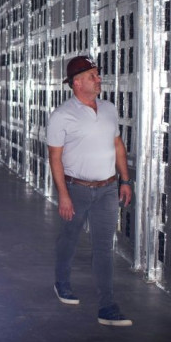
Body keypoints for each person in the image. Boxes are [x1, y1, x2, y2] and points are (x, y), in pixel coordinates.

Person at [46, 55, 133, 327]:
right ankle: (61, 282)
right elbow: (55, 158)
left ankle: (107, 307)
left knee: (104, 247)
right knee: (69, 239)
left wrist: (125, 180)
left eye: (97, 75)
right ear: (77, 82)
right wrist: (63, 194)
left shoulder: (108, 108)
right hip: (76, 189)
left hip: (107, 189)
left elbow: (117, 145)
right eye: (93, 76)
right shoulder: (62, 116)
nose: (99, 80)